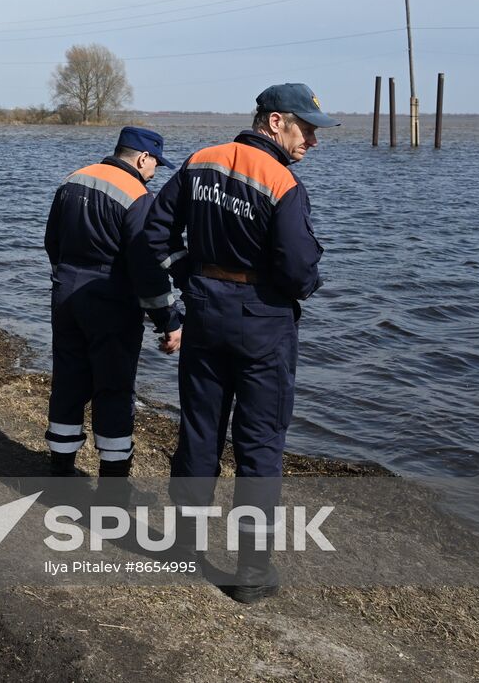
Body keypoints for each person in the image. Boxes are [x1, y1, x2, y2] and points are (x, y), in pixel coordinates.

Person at [142, 83, 338, 604]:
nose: (313, 141)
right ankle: (251, 571)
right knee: (260, 444)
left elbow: (154, 235)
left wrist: (190, 275)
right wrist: (303, 286)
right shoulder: (282, 181)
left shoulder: (199, 160)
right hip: (264, 322)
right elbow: (299, 271)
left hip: (205, 313)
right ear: (276, 122)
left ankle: (184, 548)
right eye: (307, 128)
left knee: (200, 432)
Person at [43, 126, 182, 485]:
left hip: (66, 292)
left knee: (69, 379)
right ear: (142, 158)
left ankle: (60, 468)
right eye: (155, 165)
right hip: (111, 299)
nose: (154, 172)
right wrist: (169, 320)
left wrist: (64, 276)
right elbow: (146, 267)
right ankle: (114, 481)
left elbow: (51, 240)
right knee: (114, 387)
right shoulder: (138, 196)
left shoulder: (74, 178)